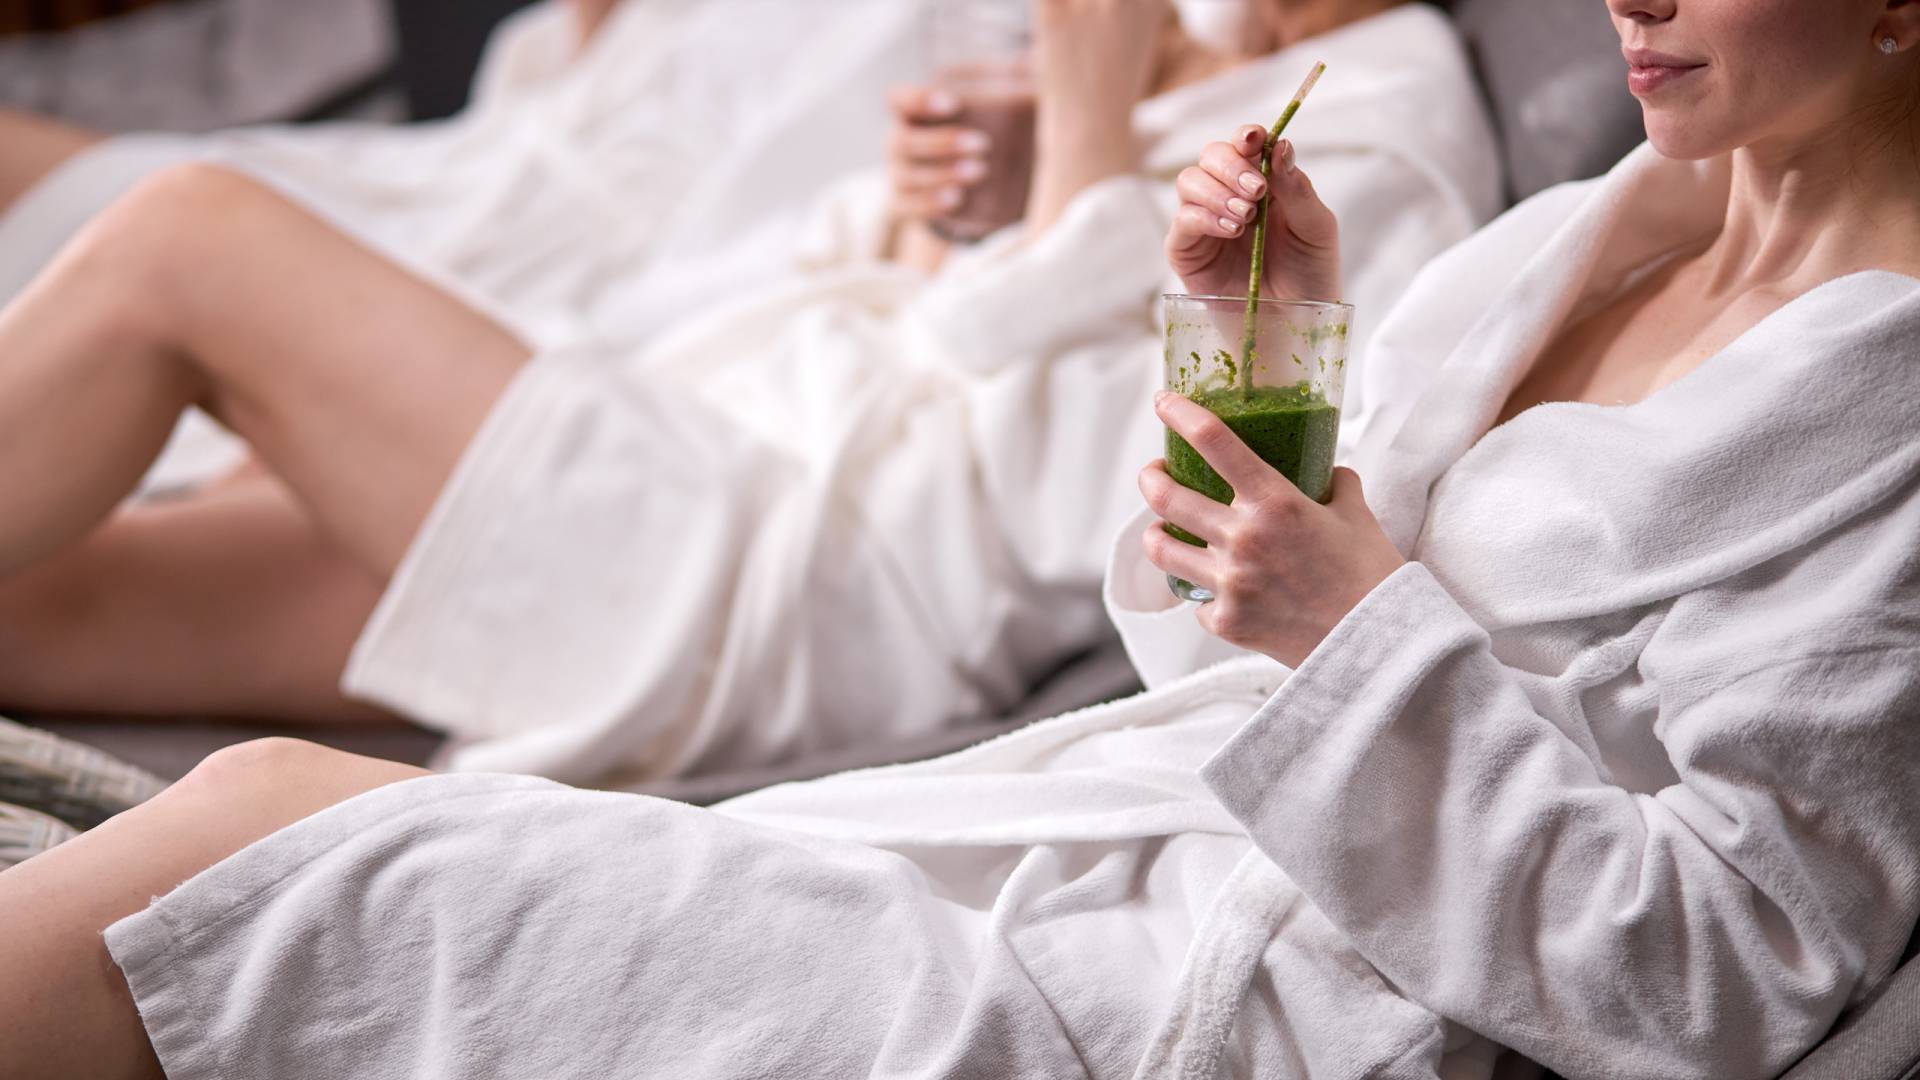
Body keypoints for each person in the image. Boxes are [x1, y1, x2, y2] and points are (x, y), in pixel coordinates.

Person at [2, 0, 1917, 1075]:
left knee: (292, 870)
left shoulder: (1882, 419)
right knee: (274, 816)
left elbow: (1721, 975)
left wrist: (1356, 638)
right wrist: (1263, 357)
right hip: (1077, 856)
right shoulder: (1583, 235)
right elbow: (1218, 635)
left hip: (1218, 1021)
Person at [0, 0, 1498, 787]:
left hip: (790, 570)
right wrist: (966, 195)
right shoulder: (1214, 43)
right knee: (43, 608)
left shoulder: (1384, 120)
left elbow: (1111, 526)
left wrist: (1089, 131)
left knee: (188, 242)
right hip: (716, 451)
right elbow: (908, 295)